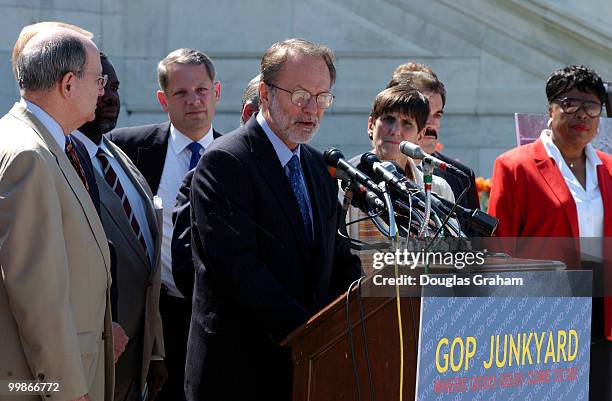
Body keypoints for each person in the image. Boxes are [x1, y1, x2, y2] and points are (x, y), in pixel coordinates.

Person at [185, 38, 362, 401]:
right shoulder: (226, 162)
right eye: (299, 95)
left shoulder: (315, 165)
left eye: (322, 97)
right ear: (264, 94)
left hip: (306, 370)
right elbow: (241, 270)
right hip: (240, 375)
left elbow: (338, 258)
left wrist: (361, 311)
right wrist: (312, 335)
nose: (312, 109)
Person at [0, 27, 112, 401]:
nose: (103, 89)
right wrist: (64, 388)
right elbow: (38, 291)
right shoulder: (29, 155)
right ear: (68, 84)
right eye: (98, 79)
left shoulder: (38, 141)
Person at [488, 64, 612, 401]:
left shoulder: (609, 168)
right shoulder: (514, 166)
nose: (581, 114)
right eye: (570, 103)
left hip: (603, 315)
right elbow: (499, 250)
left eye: (592, 106)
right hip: (542, 315)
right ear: (550, 109)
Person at [108, 48, 221, 401]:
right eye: (181, 93)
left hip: (213, 317)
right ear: (163, 100)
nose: (194, 101)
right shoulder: (124, 149)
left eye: (201, 90)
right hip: (151, 316)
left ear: (216, 93)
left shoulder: (236, 157)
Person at [73, 53, 167, 401]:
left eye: (114, 86)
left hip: (135, 354)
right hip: (92, 352)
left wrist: (154, 348)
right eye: (100, 86)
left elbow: (146, 263)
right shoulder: (60, 159)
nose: (111, 96)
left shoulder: (118, 155)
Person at [345, 84, 455, 271]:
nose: (395, 130)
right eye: (388, 119)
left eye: (407, 124)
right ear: (371, 125)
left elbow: (453, 256)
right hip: (363, 298)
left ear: (420, 135)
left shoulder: (438, 189)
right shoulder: (345, 185)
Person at [389, 65, 481, 228]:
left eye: (437, 115)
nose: (432, 124)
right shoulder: (363, 169)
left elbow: (474, 245)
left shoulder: (459, 177)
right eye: (425, 113)